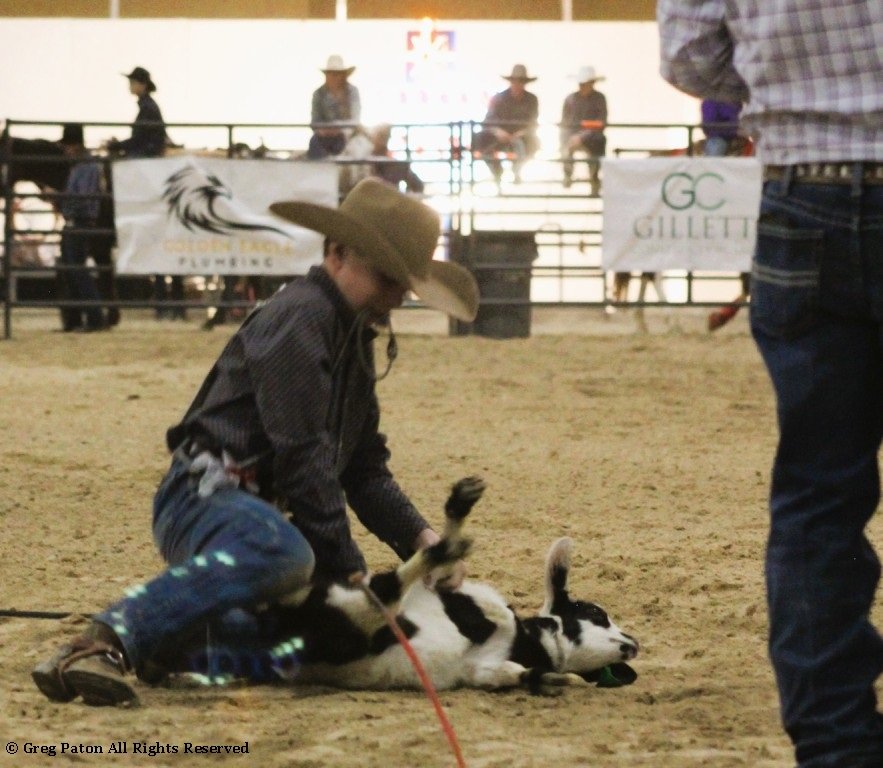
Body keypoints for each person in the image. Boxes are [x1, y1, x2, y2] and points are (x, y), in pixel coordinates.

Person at [30, 177, 480, 707]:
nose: (396, 296)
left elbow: (362, 468)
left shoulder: (349, 336)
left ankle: (178, 643)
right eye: (388, 279)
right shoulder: (303, 318)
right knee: (283, 554)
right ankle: (102, 641)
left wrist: (422, 542)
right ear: (337, 254)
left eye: (401, 285)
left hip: (242, 511)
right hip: (206, 498)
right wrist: (353, 574)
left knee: (312, 630)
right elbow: (304, 458)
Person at [659, 3, 883, 766]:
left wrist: (779, 83)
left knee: (817, 496)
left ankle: (834, 745)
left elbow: (687, 56)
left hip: (799, 191)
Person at [108, 66, 183, 320]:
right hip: (152, 163)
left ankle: (165, 302)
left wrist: (117, 145)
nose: (130, 86)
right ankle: (171, 303)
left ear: (140, 83)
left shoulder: (147, 108)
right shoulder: (149, 106)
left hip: (148, 167)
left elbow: (143, 141)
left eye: (132, 82)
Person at [57, 123, 108, 332]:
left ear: (75, 145)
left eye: (68, 146)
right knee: (74, 269)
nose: (66, 150)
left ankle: (94, 318)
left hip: (79, 221)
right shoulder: (83, 165)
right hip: (78, 221)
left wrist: (64, 203)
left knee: (77, 269)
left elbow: (84, 198)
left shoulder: (85, 166)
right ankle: (79, 318)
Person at [472, 64, 540, 185]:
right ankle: (497, 171)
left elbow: (533, 122)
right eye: (515, 81)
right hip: (498, 137)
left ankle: (517, 170)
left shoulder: (531, 99)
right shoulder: (498, 98)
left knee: (534, 143)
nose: (518, 84)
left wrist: (521, 133)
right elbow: (488, 121)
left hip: (521, 138)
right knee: (479, 140)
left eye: (521, 81)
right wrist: (498, 131)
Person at [559, 65, 607, 195]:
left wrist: (583, 136)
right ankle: (567, 173)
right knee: (564, 145)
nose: (582, 86)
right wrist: (570, 138)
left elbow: (601, 123)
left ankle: (594, 178)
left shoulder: (599, 99)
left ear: (592, 83)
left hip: (592, 138)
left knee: (599, 142)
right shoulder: (570, 99)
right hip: (572, 137)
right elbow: (565, 124)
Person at [307, 55, 361, 160]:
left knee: (352, 149)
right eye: (330, 73)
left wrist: (339, 129)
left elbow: (355, 119)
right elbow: (315, 120)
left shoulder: (352, 92)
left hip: (346, 137)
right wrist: (323, 130)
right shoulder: (318, 94)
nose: (334, 77)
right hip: (322, 137)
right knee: (315, 144)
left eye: (337, 74)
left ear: (344, 75)